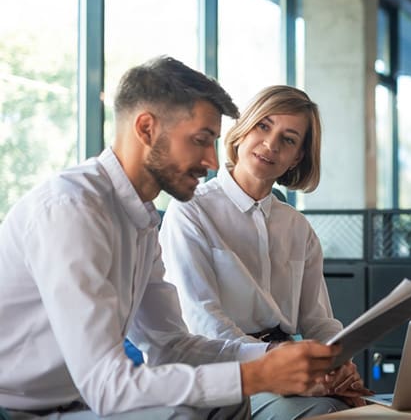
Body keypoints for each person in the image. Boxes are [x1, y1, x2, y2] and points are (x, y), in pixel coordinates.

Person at [0, 57, 347, 419]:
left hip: (79, 402)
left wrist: (272, 359)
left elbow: (170, 346)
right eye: (200, 141)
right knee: (192, 413)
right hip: (20, 410)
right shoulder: (72, 210)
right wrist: (253, 375)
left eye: (213, 142)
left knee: (225, 402)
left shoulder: (140, 221)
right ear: (147, 129)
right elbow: (108, 385)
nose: (212, 161)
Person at [159, 85, 368, 418]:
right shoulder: (191, 212)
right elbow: (204, 323)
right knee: (326, 413)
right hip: (222, 373)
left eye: (288, 139)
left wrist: (338, 363)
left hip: (286, 366)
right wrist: (280, 365)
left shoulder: (297, 227)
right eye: (263, 126)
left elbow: (318, 321)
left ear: (297, 157)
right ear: (242, 130)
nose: (271, 144)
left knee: (365, 410)